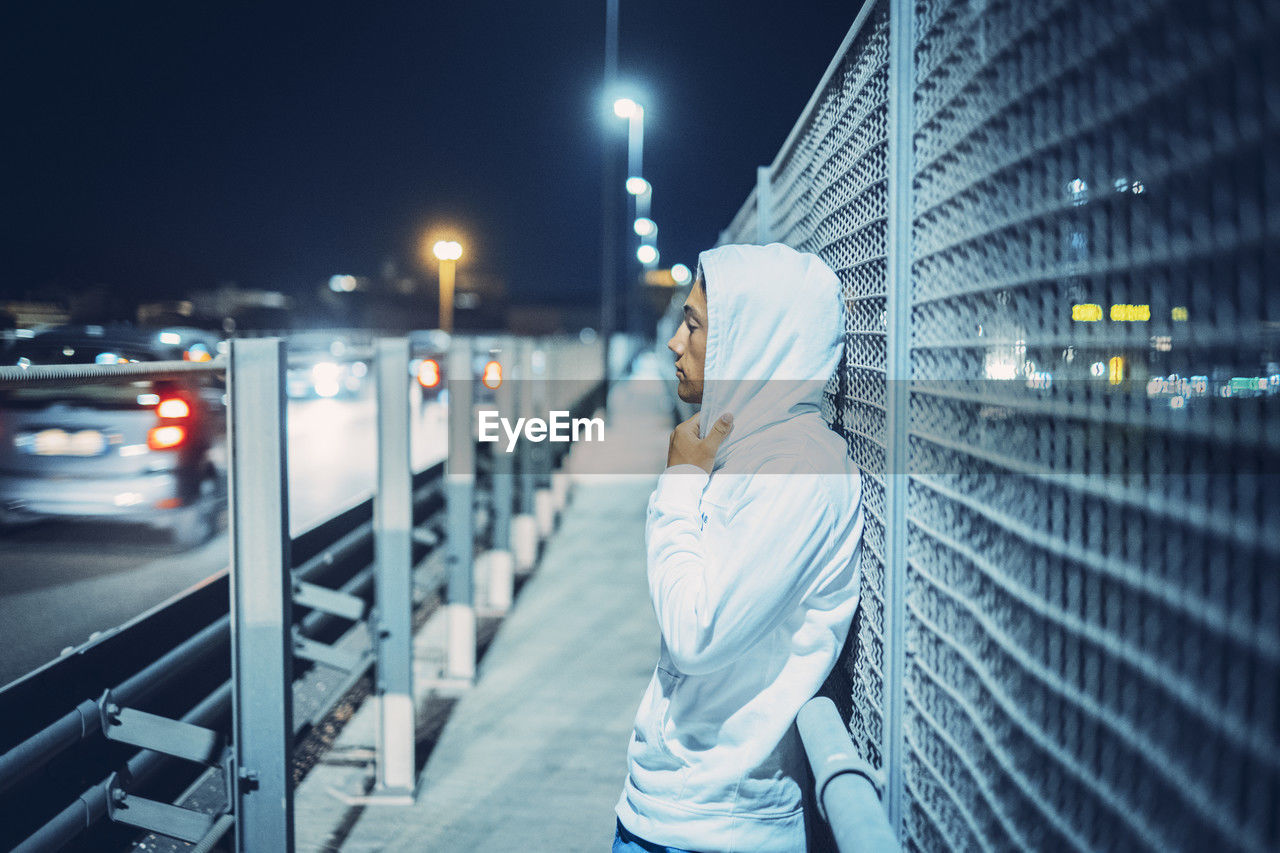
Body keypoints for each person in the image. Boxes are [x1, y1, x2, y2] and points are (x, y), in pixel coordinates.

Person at [613, 242, 865, 853]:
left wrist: (677, 485)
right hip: (667, 810)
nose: (675, 343)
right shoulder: (745, 452)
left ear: (753, 340)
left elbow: (696, 634)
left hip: (719, 829)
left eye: (695, 325)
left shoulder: (799, 468)